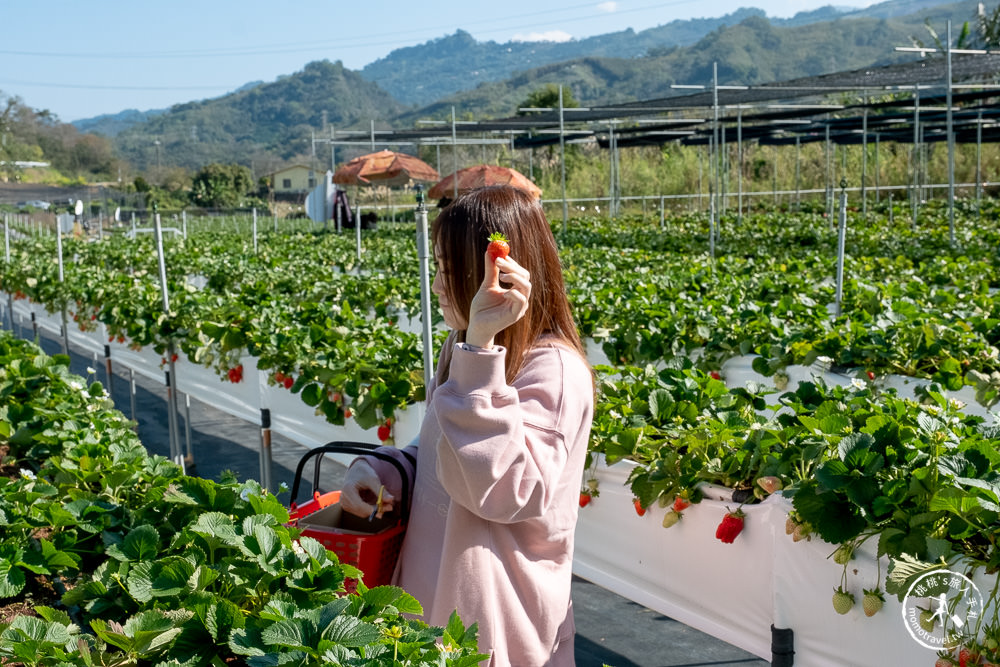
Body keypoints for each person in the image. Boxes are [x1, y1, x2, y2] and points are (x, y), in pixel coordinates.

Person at [340, 185, 594, 666]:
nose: (437, 285)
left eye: (449, 271)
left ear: (500, 278)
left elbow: (504, 492)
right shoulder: (464, 351)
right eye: (438, 268)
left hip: (497, 626)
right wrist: (380, 472)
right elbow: (438, 449)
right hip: (434, 607)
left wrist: (479, 348)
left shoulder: (554, 372)